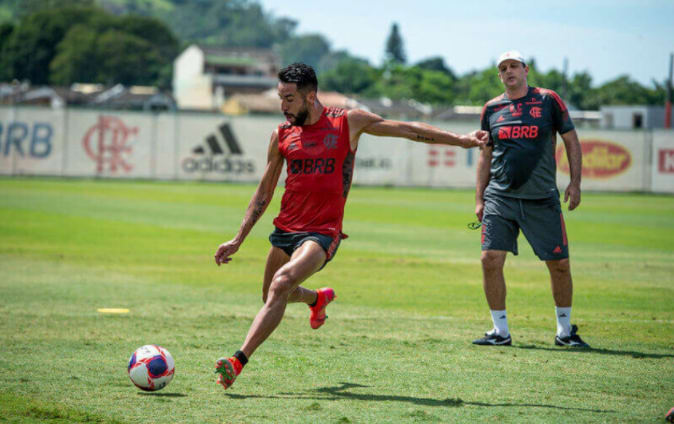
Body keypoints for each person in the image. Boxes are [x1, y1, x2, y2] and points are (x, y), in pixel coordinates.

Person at [213, 62, 489, 389]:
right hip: (285, 228)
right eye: (280, 98)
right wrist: (238, 239)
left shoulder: (347, 122)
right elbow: (264, 191)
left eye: (289, 98)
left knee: (281, 282)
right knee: (272, 295)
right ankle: (316, 299)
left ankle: (236, 361)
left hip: (322, 232)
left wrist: (462, 140)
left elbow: (407, 128)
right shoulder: (282, 135)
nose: (282, 106)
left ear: (310, 96)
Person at [473, 50, 589, 348]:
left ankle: (565, 331)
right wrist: (479, 198)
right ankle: (500, 331)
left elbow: (571, 140)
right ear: (499, 75)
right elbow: (485, 155)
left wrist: (575, 183)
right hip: (500, 197)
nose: (509, 71)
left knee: (559, 264)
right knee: (489, 260)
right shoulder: (492, 108)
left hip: (541, 198)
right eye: (503, 68)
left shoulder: (548, 100)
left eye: (514, 66)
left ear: (525, 70)